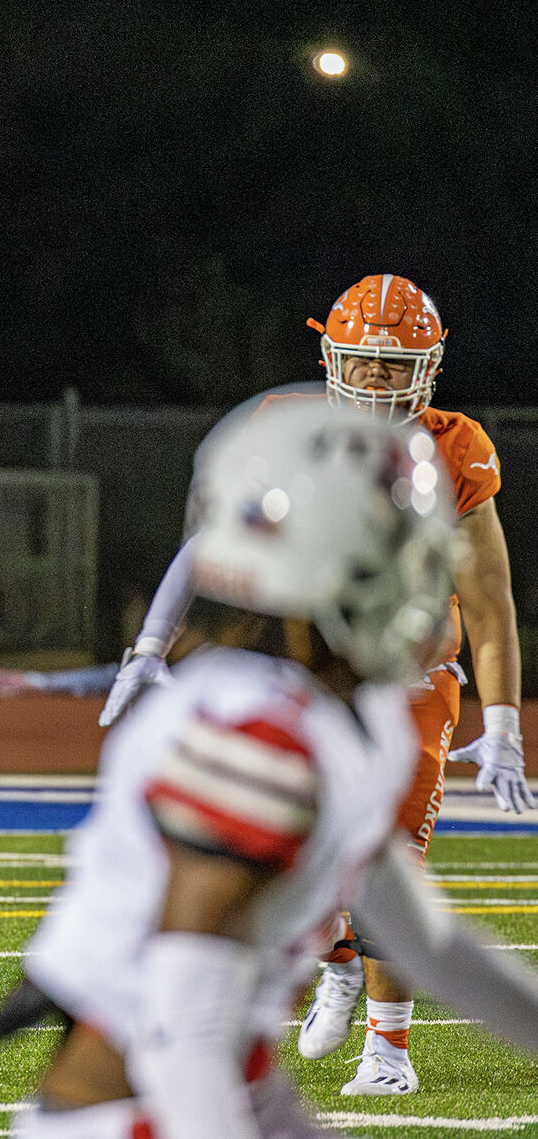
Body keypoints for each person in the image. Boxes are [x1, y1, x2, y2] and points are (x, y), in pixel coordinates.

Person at [4, 398, 538, 1139]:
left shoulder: (354, 719)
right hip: (137, 1107)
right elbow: (181, 1022)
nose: (428, 593)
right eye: (401, 562)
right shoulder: (257, 734)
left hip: (230, 1079)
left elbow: (427, 940)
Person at [99, 273, 525, 1096]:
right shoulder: (246, 723)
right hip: (156, 1086)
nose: (375, 382)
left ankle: (383, 1040)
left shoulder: (449, 449)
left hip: (194, 1069)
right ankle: (339, 968)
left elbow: (488, 597)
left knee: (375, 861)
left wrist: (500, 717)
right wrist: (150, 646)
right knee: (323, 875)